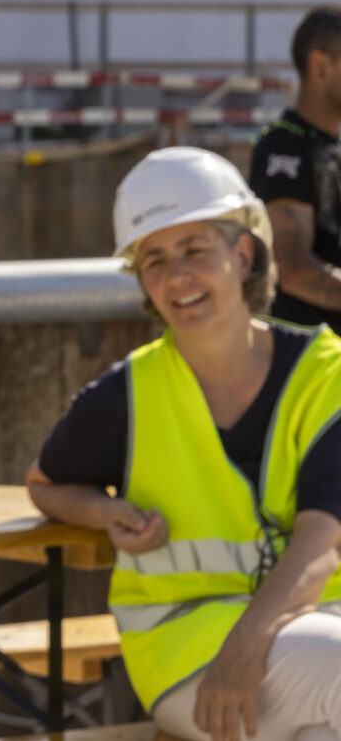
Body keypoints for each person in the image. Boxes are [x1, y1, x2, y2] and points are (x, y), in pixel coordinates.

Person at [27, 146, 341, 741]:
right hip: (185, 651)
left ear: (243, 253)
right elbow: (44, 484)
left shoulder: (327, 376)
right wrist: (104, 510)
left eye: (196, 251)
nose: (177, 278)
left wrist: (247, 647)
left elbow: (322, 543)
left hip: (303, 627)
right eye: (155, 260)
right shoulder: (127, 393)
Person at [250, 6, 341, 332]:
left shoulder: (332, 147)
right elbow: (292, 269)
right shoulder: (284, 145)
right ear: (320, 66)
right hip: (305, 367)